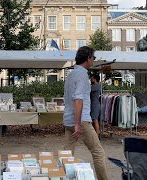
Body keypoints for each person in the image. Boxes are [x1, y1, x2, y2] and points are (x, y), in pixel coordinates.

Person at [63, 46, 108, 180]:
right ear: (88, 58)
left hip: (69, 119)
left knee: (67, 154)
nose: (94, 60)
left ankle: (63, 177)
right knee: (98, 152)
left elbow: (68, 98)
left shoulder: (70, 75)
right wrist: (78, 124)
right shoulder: (82, 74)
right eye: (93, 58)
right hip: (81, 120)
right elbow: (78, 99)